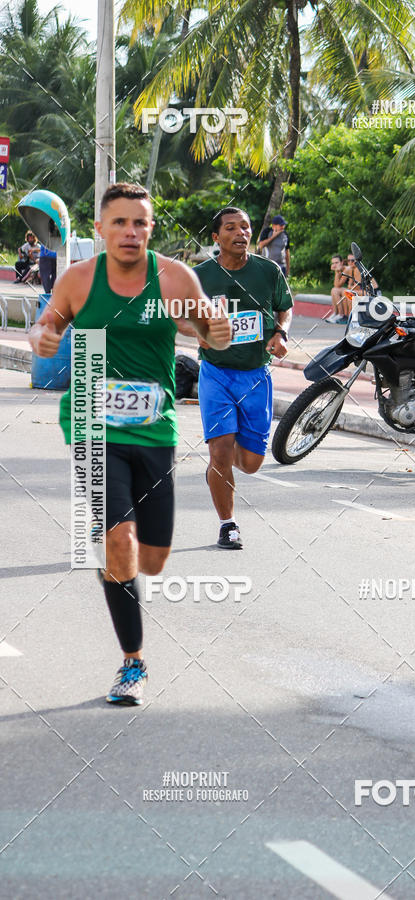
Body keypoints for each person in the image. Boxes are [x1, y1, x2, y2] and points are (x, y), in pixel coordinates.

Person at [28, 182, 232, 705]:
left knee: (155, 560)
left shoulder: (172, 278)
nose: (129, 232)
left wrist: (217, 330)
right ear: (99, 229)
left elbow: (207, 329)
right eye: (118, 222)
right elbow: (47, 324)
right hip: (93, 428)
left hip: (155, 429)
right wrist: (43, 337)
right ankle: (133, 663)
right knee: (120, 540)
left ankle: (118, 556)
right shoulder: (78, 280)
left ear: (151, 229)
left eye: (139, 222)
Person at [194, 206, 293, 549]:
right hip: (216, 374)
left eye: (246, 227)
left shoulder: (268, 271)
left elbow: (285, 306)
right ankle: (228, 525)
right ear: (216, 237)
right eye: (232, 228)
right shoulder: (200, 276)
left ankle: (232, 441)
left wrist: (280, 332)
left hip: (255, 375)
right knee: (220, 453)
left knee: (250, 464)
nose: (241, 233)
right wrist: (198, 331)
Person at [326, 253, 352, 324]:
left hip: (358, 290)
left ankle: (340, 314)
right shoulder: (340, 270)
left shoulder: (346, 269)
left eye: (337, 263)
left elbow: (338, 285)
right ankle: (336, 313)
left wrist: (336, 272)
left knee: (334, 290)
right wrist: (337, 271)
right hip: (350, 289)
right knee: (334, 290)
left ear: (342, 262)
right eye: (333, 263)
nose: (334, 265)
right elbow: (337, 285)